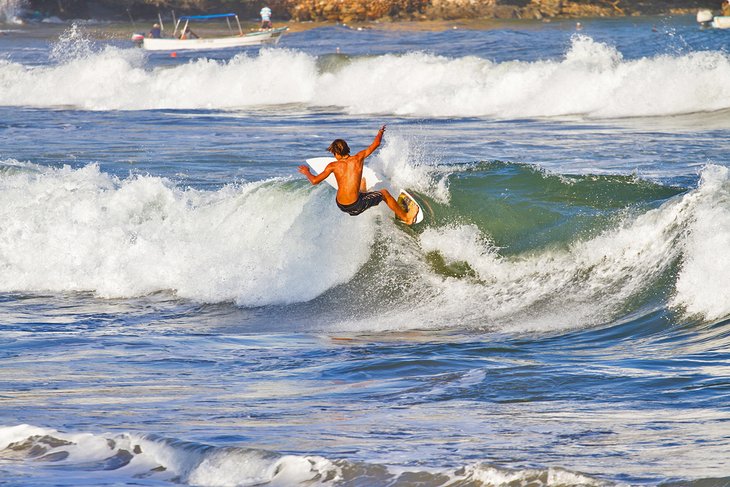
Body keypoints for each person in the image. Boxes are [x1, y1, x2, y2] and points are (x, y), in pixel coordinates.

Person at [298, 125, 419, 225]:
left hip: (340, 204)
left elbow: (314, 181)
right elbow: (376, 144)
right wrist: (380, 132)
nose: (334, 156)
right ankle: (406, 217)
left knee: (359, 186)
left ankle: (362, 190)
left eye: (333, 153)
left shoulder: (333, 166)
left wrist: (306, 172)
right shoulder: (358, 158)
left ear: (337, 153)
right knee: (384, 193)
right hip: (355, 206)